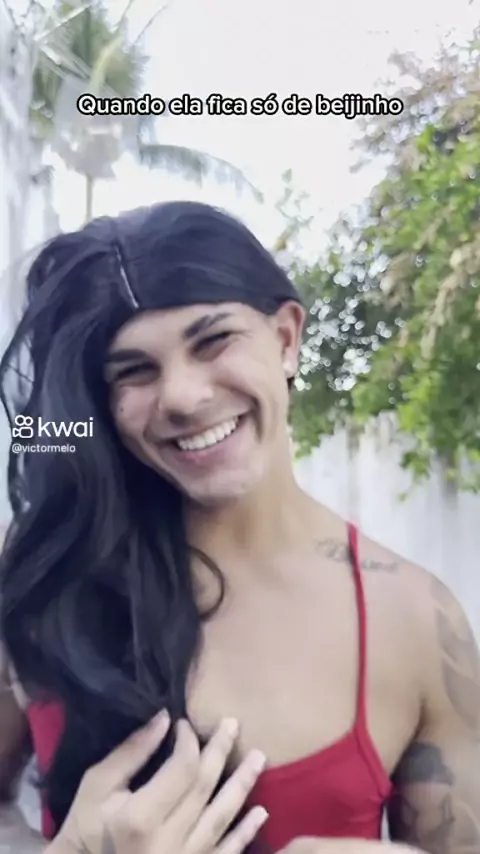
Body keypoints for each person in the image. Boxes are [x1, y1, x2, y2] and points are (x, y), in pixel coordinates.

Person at [0, 201, 477, 854]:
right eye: (134, 371)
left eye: (214, 341)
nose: (182, 396)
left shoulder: (417, 621)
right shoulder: (41, 574)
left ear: (286, 339)